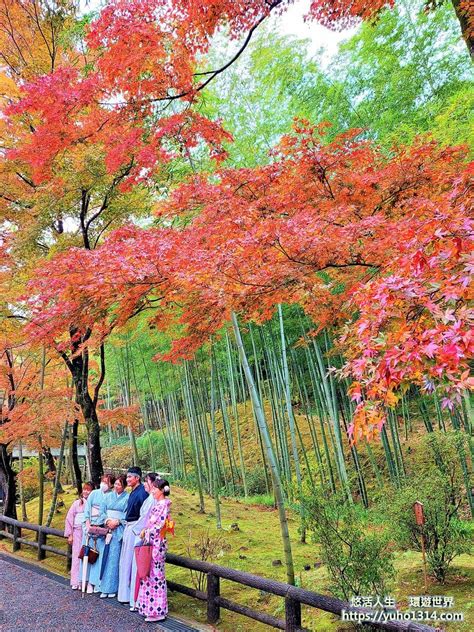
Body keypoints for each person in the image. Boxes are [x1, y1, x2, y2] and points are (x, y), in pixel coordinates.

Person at [137, 478, 172, 622]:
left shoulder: (163, 505)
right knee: (150, 574)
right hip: (152, 542)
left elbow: (160, 525)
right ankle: (149, 608)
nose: (152, 491)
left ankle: (157, 610)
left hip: (156, 544)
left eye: (155, 489)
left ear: (162, 491)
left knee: (156, 576)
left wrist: (147, 531)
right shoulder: (159, 504)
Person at [117, 466, 149, 605]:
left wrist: (138, 530)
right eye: (127, 476)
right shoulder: (134, 491)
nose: (128, 479)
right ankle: (125, 594)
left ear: (137, 478)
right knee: (126, 561)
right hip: (130, 526)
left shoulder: (142, 493)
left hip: (136, 529)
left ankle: (133, 597)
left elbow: (145, 515)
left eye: (130, 477)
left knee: (132, 562)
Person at [129, 472, 158, 612]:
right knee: (141, 568)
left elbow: (145, 519)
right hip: (143, 533)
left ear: (153, 483)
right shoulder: (150, 498)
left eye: (147, 482)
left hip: (145, 536)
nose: (145, 484)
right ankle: (140, 601)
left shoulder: (153, 499)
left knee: (143, 568)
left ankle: (142, 601)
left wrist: (135, 530)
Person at [82, 473, 115, 594]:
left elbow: (107, 513)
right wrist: (88, 525)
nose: (104, 484)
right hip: (90, 526)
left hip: (102, 528)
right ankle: (86, 581)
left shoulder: (111, 496)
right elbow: (87, 510)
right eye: (103, 481)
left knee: (99, 557)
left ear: (111, 485)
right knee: (88, 555)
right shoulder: (94, 494)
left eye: (107, 482)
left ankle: (95, 582)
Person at [99, 475, 129, 598]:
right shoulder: (107, 497)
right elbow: (102, 512)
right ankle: (103, 586)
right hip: (107, 529)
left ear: (124, 486)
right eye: (115, 484)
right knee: (104, 556)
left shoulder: (127, 498)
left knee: (115, 558)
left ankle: (112, 587)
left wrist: (117, 522)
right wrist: (107, 521)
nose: (117, 486)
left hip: (118, 530)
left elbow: (127, 515)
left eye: (119, 484)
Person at [64, 482, 93, 590]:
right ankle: (75, 581)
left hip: (88, 532)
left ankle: (86, 581)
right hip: (77, 532)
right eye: (84, 489)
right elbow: (69, 518)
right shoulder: (77, 503)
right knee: (77, 556)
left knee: (88, 556)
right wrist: (70, 534)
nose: (85, 491)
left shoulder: (93, 504)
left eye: (88, 489)